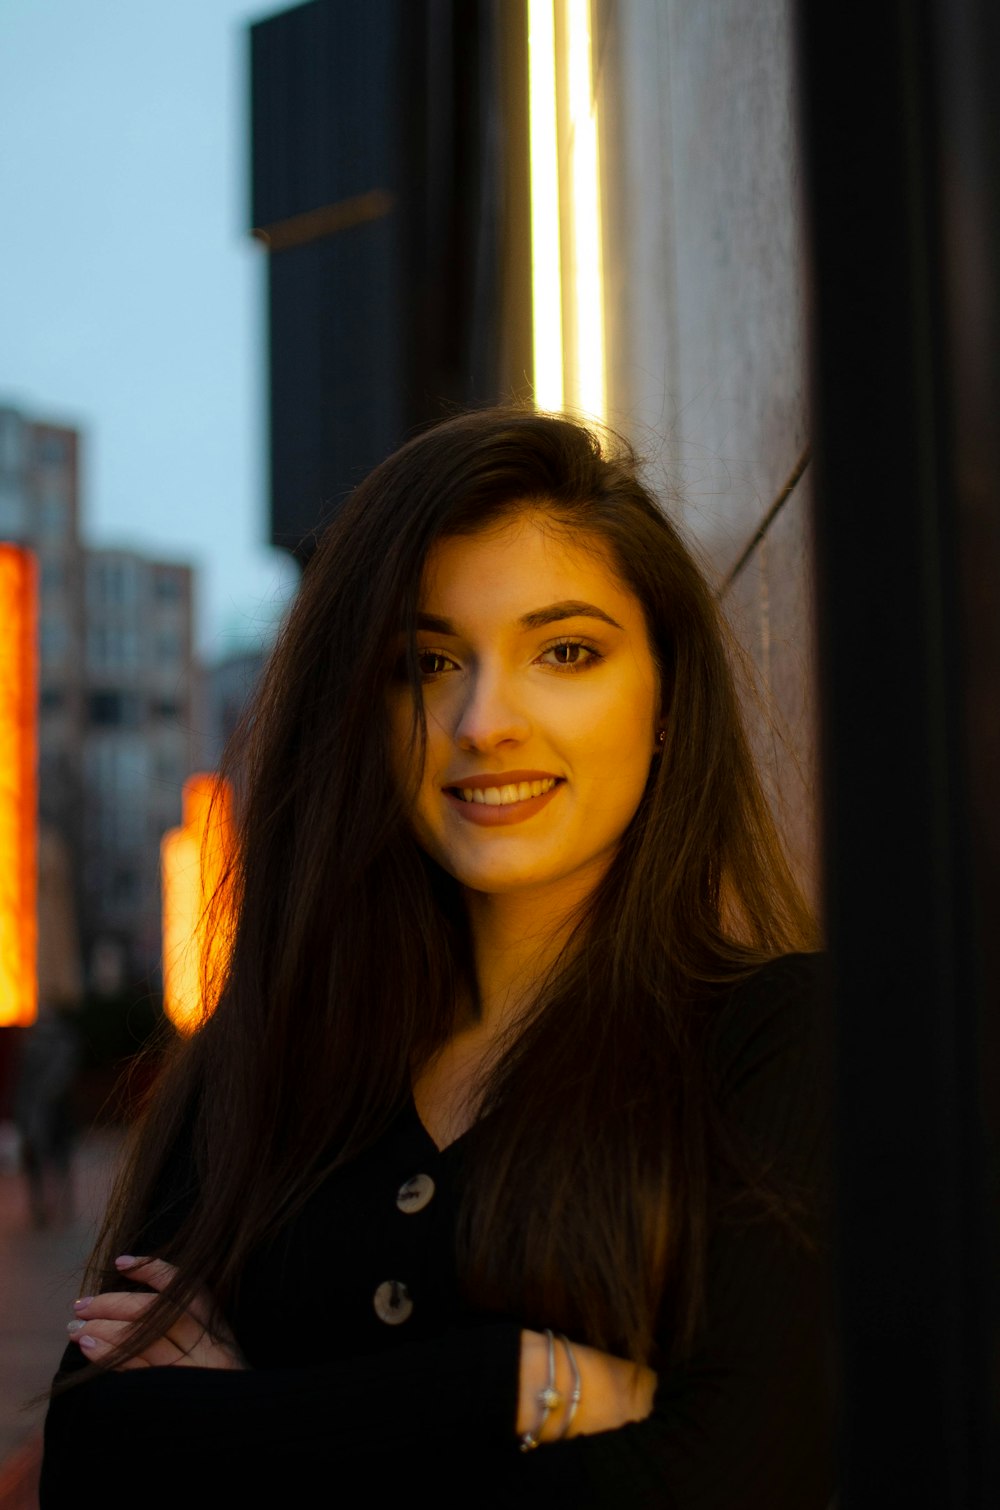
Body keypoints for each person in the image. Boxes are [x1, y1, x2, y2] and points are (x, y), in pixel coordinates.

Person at [41, 409, 835, 1507]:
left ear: (664, 699)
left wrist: (245, 1417)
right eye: (425, 662)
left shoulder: (778, 1039)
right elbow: (95, 1456)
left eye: (565, 651)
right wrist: (502, 1380)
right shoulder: (270, 1054)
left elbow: (730, 1480)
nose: (482, 720)